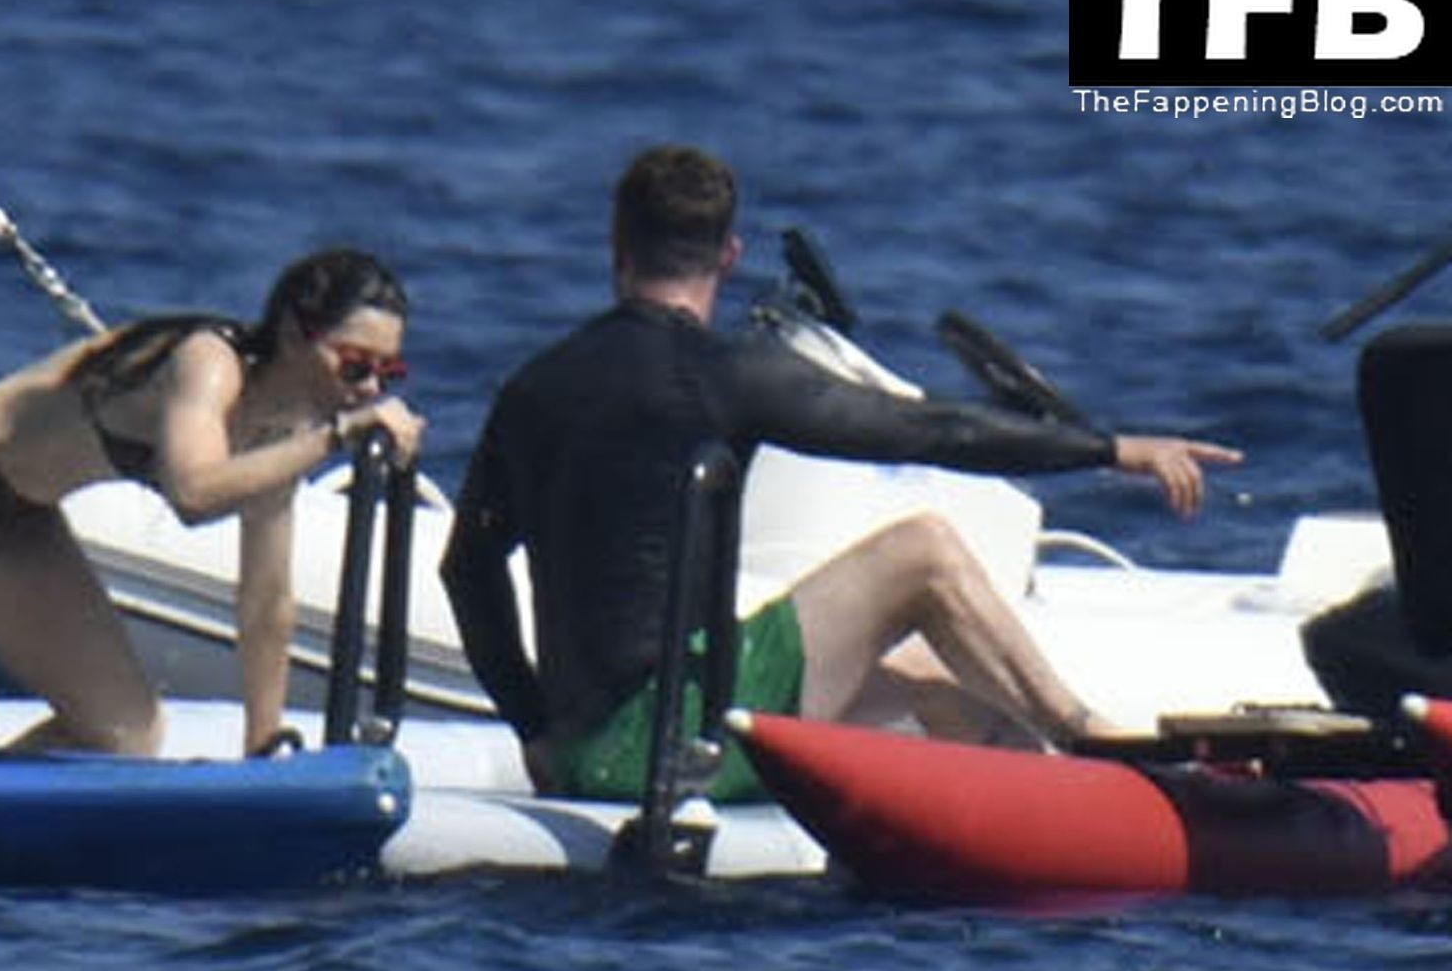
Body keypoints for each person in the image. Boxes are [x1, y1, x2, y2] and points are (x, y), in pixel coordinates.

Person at [440, 146, 1241, 800]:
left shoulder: (533, 386)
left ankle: (1043, 816)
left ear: (617, 248)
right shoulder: (727, 374)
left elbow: (466, 569)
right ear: (730, 255)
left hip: (584, 744)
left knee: (925, 672)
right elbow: (935, 429)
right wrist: (1109, 449)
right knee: (924, 553)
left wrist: (535, 731)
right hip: (674, 746)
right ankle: (1092, 737)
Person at [0, 247, 424, 757]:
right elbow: (193, 492)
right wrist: (335, 439)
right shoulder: (209, 364)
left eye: (387, 372)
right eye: (355, 365)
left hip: (11, 519)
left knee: (125, 735)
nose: (370, 389)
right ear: (294, 333)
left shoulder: (289, 433)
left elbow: (266, 601)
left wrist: (262, 744)